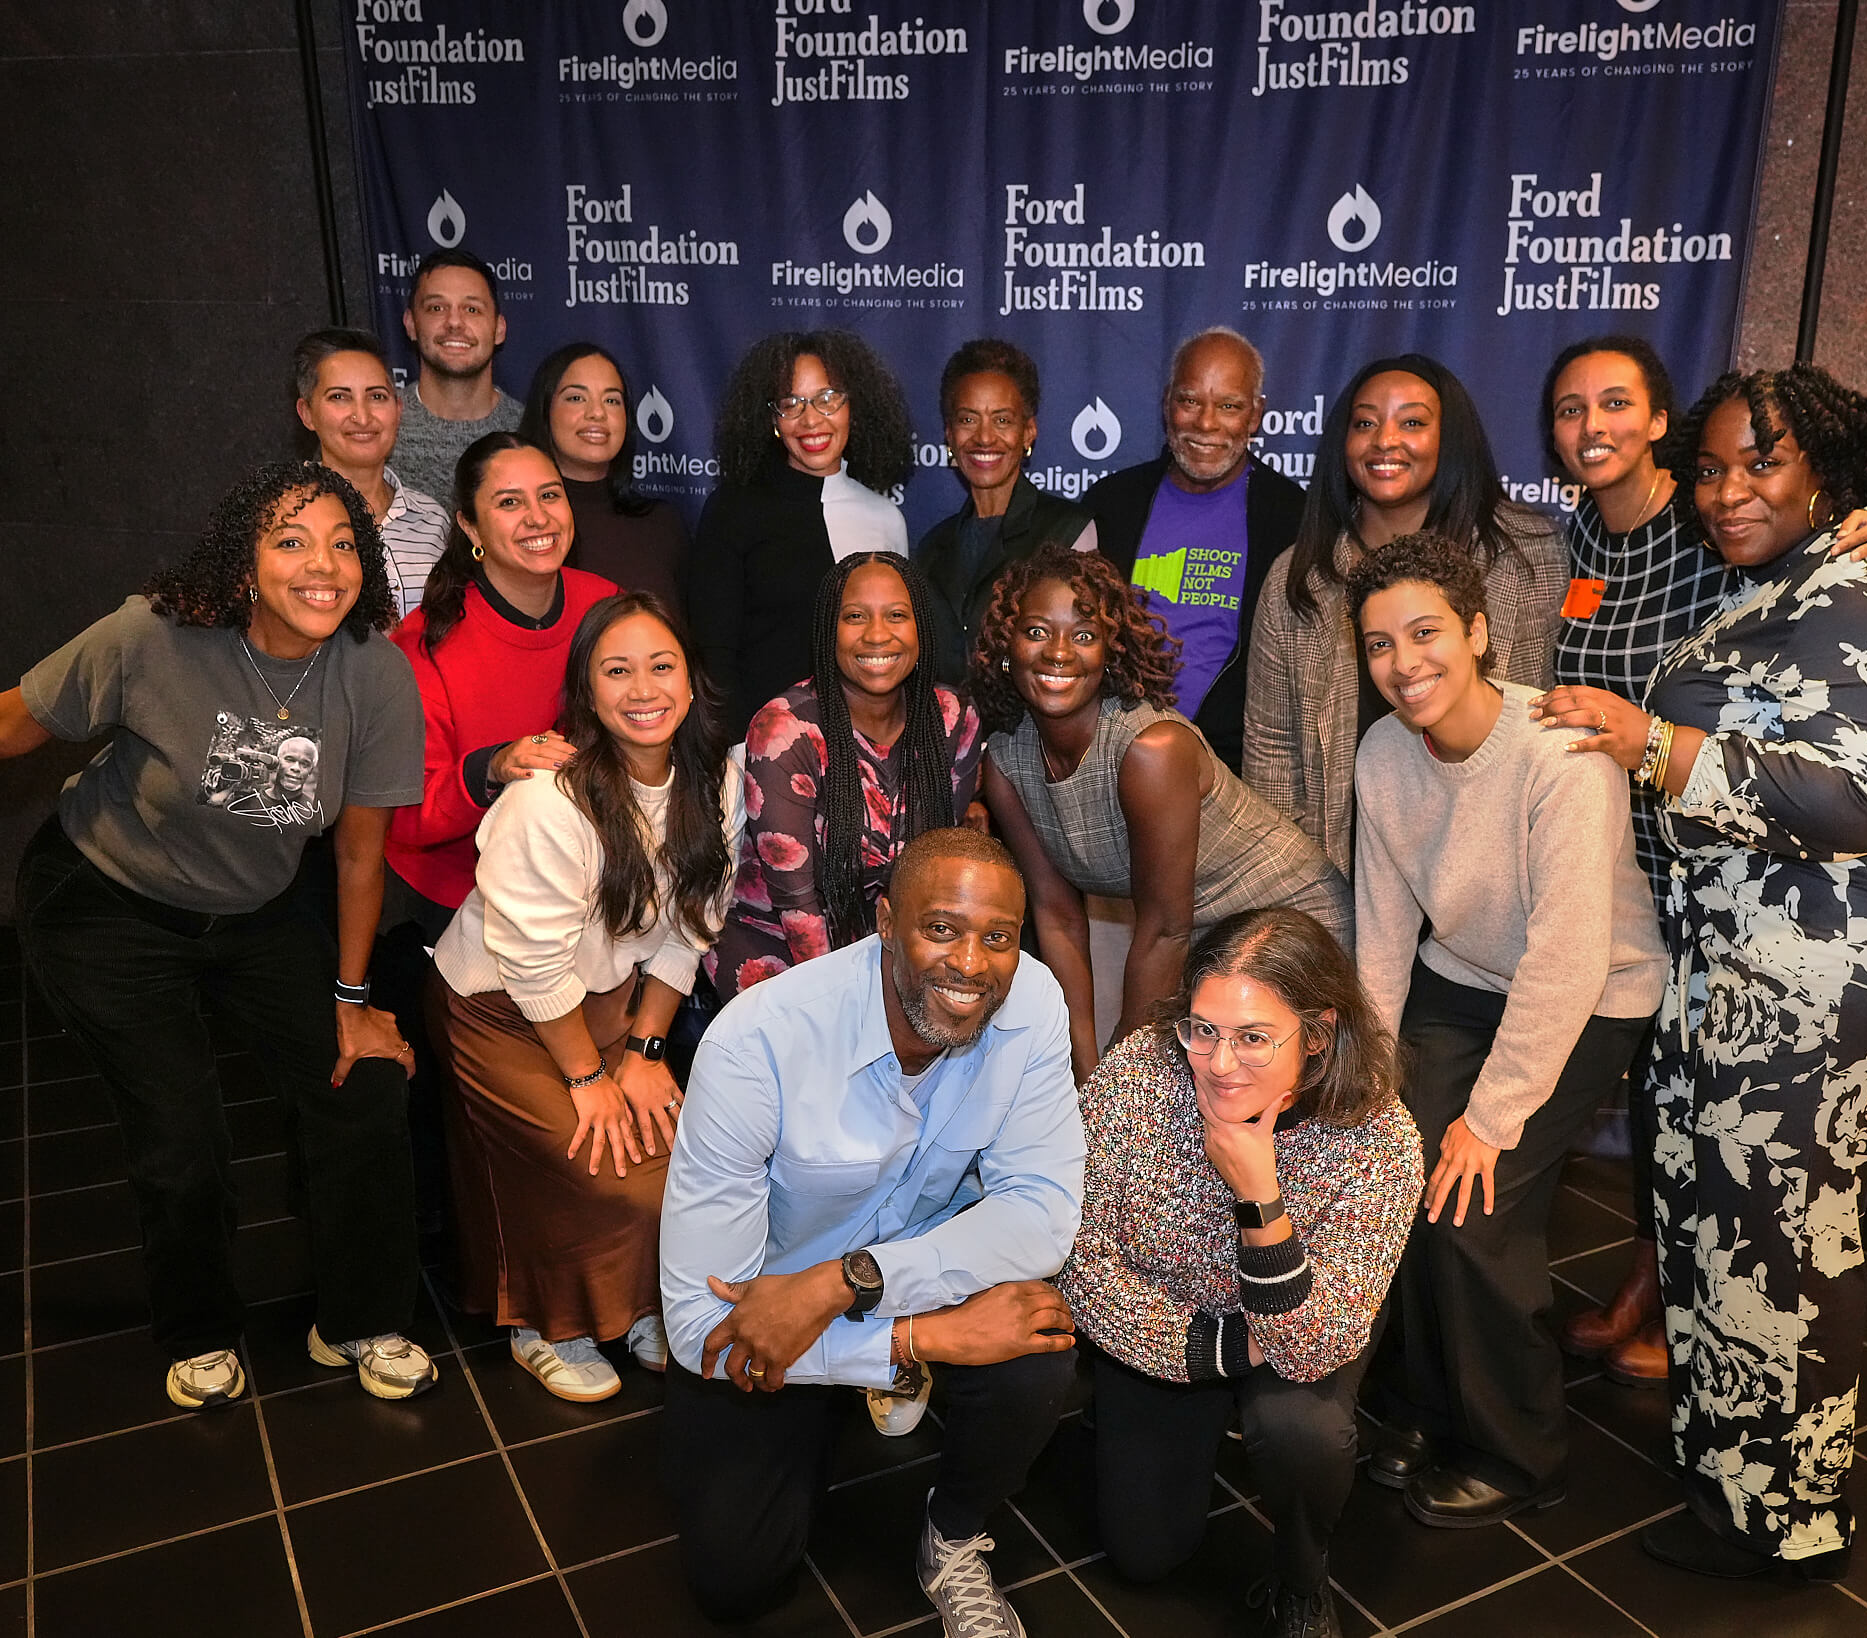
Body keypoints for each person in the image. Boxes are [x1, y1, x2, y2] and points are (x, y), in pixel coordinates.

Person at [1531, 365, 1867, 1581]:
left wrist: (1652, 741)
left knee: (1780, 1231)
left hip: (1842, 967)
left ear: (1824, 474)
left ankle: (1783, 1523)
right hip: (1747, 957)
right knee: (1713, 1213)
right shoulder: (1776, 578)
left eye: (1762, 463)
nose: (1728, 490)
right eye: (1712, 469)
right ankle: (1728, 1459)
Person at [1539, 335, 1867, 1386]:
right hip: (1641, 866)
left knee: (1761, 1190)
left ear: (1657, 422)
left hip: (1771, 895)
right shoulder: (1574, 539)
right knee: (1668, 1109)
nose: (1592, 429)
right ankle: (1674, 1299)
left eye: (1615, 404)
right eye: (1569, 410)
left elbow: (1861, 749)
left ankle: (1691, 1329)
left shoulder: (1715, 533)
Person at [4, 461, 435, 1409]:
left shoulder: (373, 673)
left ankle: (361, 1318)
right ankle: (200, 1330)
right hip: (108, 904)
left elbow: (361, 858)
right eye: (290, 542)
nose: (321, 565)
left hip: (260, 909)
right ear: (244, 564)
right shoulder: (151, 635)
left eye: (341, 544)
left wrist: (353, 1003)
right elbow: (14, 726)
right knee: (179, 1122)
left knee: (361, 1083)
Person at [660, 828, 1084, 1636]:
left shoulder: (1032, 1002)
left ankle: (954, 1533)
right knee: (736, 1578)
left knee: (1036, 1340)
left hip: (877, 1275)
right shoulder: (758, 1043)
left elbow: (1041, 1211)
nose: (971, 965)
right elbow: (695, 1323)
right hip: (768, 1306)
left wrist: (853, 1284)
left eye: (998, 938)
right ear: (886, 922)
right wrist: (920, 1338)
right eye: (941, 929)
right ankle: (856, 1390)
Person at [1349, 531, 1663, 1528]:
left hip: (1590, 992)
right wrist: (1368, 1072)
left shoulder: (1557, 754)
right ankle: (1418, 1405)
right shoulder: (1381, 754)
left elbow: (1566, 957)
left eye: (1425, 633)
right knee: (1397, 1169)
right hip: (1460, 980)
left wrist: (1489, 1117)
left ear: (1477, 632)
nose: (1403, 664)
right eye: (1377, 644)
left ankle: (1515, 1449)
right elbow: (1383, 930)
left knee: (1471, 1206)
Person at [1062, 909, 1422, 1638]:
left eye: (1254, 1038)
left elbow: (1313, 1348)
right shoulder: (1138, 1074)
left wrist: (1261, 1197)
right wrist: (1218, 1347)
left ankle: (1302, 1577)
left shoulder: (1381, 1141)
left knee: (1302, 1428)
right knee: (1145, 1557)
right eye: (1203, 1029)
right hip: (1181, 1325)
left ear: (1317, 1035)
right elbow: (1079, 1257)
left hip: (1298, 1322)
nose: (1220, 1062)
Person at [428, 593, 741, 1402]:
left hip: (606, 1008)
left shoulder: (718, 778)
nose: (643, 688)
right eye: (617, 670)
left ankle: (635, 1305)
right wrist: (586, 1077)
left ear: (692, 678)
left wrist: (643, 1053)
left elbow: (692, 927)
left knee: (678, 1164)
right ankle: (546, 1323)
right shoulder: (549, 800)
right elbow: (531, 968)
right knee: (606, 1170)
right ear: (588, 693)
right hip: (498, 1010)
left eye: (661, 666)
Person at [972, 546, 1350, 1079]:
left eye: (1084, 636)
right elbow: (1056, 920)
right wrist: (1080, 1072)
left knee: (1187, 1111)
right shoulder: (1007, 761)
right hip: (1201, 945)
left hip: (1290, 922)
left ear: (1111, 652)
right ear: (1005, 646)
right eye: (1037, 631)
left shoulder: (1151, 749)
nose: (1058, 653)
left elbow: (1164, 929)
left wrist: (1120, 1083)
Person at [1244, 353, 1567, 877]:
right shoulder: (1298, 576)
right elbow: (1272, 753)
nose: (1384, 440)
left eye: (1412, 422)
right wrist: (1306, 895)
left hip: (1493, 869)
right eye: (1364, 423)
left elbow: (1537, 720)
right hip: (1342, 875)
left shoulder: (1524, 553)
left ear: (1451, 437)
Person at [707, 552, 983, 999]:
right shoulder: (784, 729)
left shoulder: (952, 717)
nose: (877, 635)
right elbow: (797, 906)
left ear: (921, 628)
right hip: (781, 949)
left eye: (897, 615)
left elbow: (939, 868)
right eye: (855, 616)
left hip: (890, 943)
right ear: (827, 631)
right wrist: (854, 1004)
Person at [383, 432, 618, 934]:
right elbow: (403, 815)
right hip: (455, 903)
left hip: (586, 885)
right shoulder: (423, 645)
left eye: (550, 495)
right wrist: (491, 767)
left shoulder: (605, 605)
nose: (538, 517)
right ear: (470, 526)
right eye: (510, 502)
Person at [1082, 327, 1302, 774]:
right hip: (1114, 758)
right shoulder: (1113, 504)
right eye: (1190, 401)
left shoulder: (1292, 517)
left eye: (1229, 406)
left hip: (1237, 768)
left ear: (1255, 415)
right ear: (1167, 403)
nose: (1205, 424)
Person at [688, 330, 913, 738]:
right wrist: (736, 753)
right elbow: (713, 654)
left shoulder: (885, 518)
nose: (811, 420)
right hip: (760, 752)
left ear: (854, 407)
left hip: (866, 753)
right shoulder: (733, 510)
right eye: (791, 404)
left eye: (828, 399)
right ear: (772, 420)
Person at [914, 338, 1096, 683]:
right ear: (949, 435)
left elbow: (1079, 660)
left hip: (1030, 734)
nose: (984, 438)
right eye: (968, 419)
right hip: (946, 734)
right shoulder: (931, 548)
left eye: (1002, 420)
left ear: (1028, 432)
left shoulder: (1068, 532)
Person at [519, 341, 690, 613]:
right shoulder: (522, 523)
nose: (597, 413)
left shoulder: (661, 523)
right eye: (576, 398)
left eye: (611, 400)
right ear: (545, 410)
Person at [292, 327, 450, 620]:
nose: (362, 417)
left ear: (398, 409)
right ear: (307, 413)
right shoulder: (281, 517)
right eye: (339, 397)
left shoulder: (433, 520)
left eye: (377, 396)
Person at [388, 249, 525, 503]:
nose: (454, 322)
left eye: (472, 309)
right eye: (436, 308)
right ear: (410, 324)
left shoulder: (530, 430)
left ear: (499, 329)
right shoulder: (375, 426)